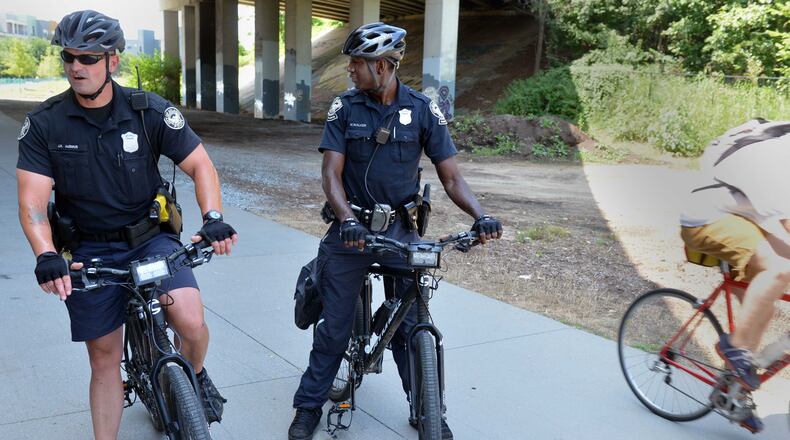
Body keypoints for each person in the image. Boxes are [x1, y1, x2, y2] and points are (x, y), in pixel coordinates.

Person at [16, 10, 238, 439]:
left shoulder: (148, 111)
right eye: (69, 57)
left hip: (151, 240)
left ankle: (190, 381)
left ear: (111, 61)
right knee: (104, 359)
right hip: (89, 254)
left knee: (191, 323)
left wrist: (213, 218)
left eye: (88, 58)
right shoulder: (45, 124)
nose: (76, 66)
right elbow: (33, 204)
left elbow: (201, 166)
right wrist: (45, 252)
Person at [288, 22, 503, 440]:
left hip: (400, 232)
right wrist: (347, 219)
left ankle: (427, 411)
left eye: (358, 63)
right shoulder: (344, 108)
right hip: (350, 232)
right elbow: (331, 175)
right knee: (333, 329)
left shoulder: (423, 109)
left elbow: (453, 179)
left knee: (411, 325)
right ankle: (308, 407)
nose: (350, 70)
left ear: (383, 66)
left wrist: (481, 216)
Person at [679, 118, 790, 433]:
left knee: (762, 306)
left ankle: (732, 393)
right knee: (781, 270)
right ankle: (734, 346)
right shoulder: (781, 157)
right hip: (707, 216)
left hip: (738, 215)